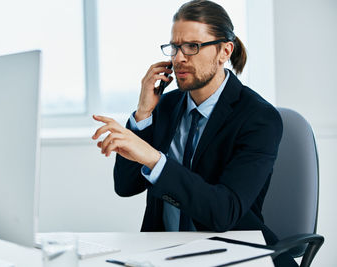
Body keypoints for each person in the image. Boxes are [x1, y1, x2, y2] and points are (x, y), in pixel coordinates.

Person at [92, 1, 296, 266]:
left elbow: (224, 212)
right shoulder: (165, 105)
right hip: (162, 252)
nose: (178, 58)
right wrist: (143, 116)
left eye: (192, 46)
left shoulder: (258, 118)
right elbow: (126, 186)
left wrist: (155, 160)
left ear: (225, 51)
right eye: (175, 47)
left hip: (230, 252)